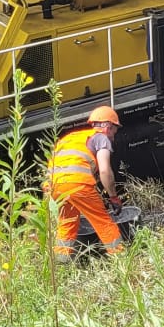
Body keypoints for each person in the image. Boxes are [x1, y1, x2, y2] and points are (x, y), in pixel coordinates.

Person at [44, 105, 126, 261]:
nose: (114, 137)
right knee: (103, 222)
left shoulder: (72, 137)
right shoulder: (101, 138)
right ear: (108, 127)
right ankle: (121, 261)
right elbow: (104, 171)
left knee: (67, 223)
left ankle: (61, 265)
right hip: (76, 183)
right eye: (115, 131)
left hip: (53, 186)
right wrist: (113, 197)